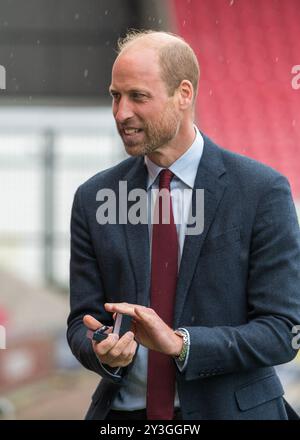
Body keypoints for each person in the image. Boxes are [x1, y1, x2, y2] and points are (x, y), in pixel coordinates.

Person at [67, 30, 300, 420]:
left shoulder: (261, 191)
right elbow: (82, 322)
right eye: (115, 96)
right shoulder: (92, 198)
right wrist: (101, 348)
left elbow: (282, 332)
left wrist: (181, 344)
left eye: (138, 96)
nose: (121, 113)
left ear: (184, 94)